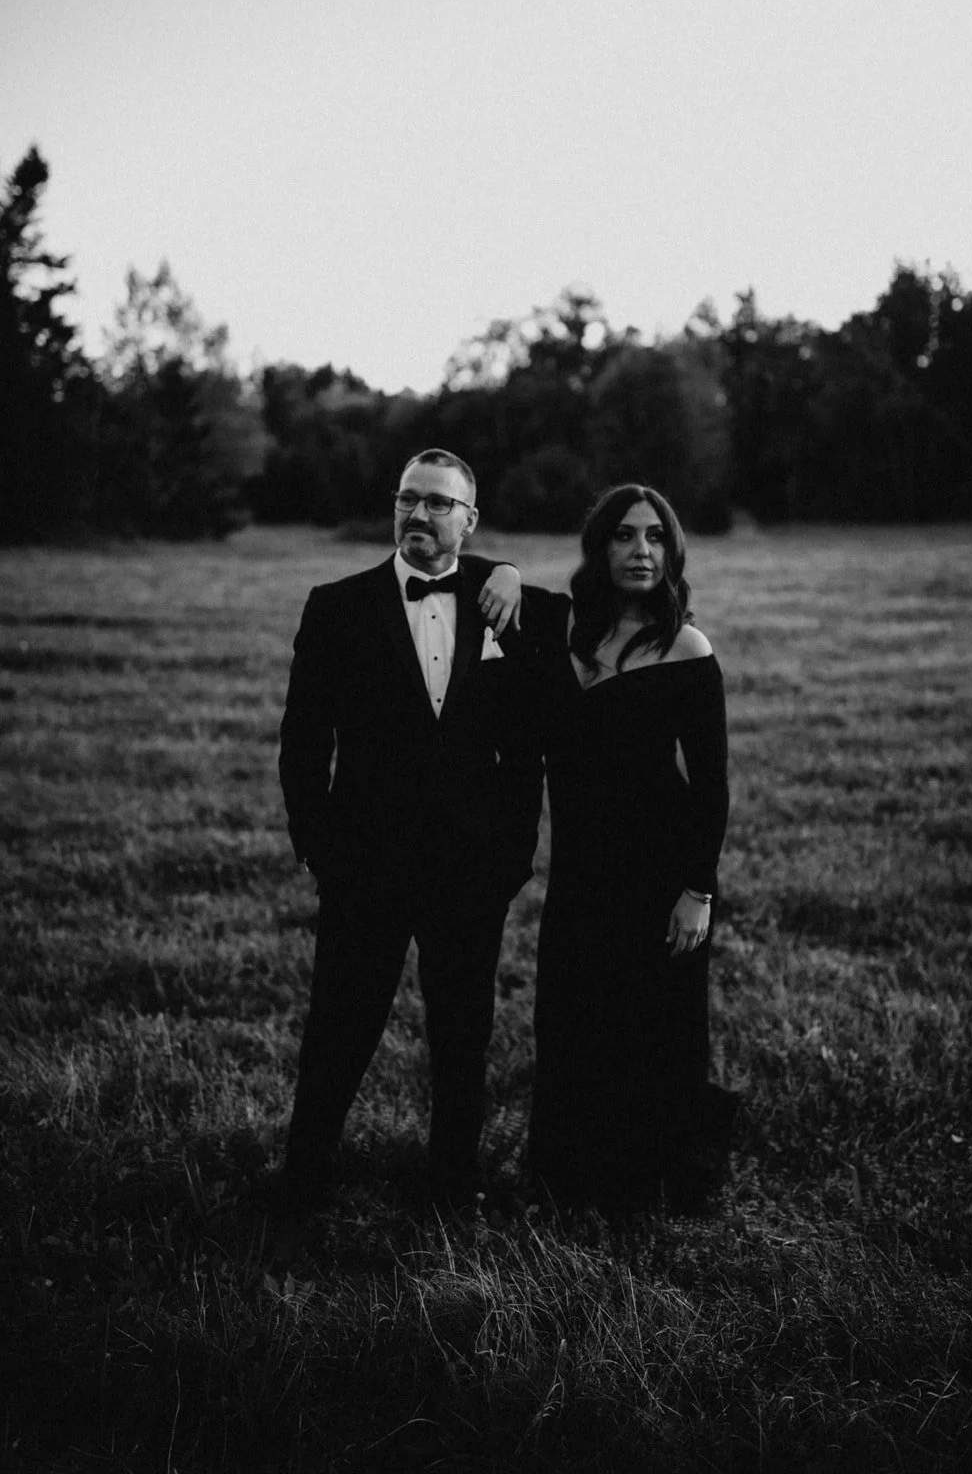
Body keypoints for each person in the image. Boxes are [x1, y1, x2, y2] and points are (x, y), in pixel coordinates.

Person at [275, 449, 541, 1215]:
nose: (418, 515)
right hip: (366, 864)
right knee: (338, 1030)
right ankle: (300, 1191)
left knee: (463, 1037)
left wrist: (511, 854)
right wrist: (318, 847)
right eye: (407, 500)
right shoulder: (337, 605)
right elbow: (302, 740)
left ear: (469, 519)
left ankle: (451, 1190)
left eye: (437, 504)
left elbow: (526, 747)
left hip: (471, 867)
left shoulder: (502, 603)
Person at [516, 484, 731, 1214]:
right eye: (623, 536)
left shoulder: (687, 647)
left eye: (654, 537)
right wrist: (508, 576)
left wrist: (697, 889)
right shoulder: (558, 627)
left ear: (671, 552)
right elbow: (473, 577)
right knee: (573, 1020)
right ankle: (566, 1175)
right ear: (599, 547)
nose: (640, 550)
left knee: (649, 1029)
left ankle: (643, 1180)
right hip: (579, 871)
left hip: (658, 872)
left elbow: (710, 786)